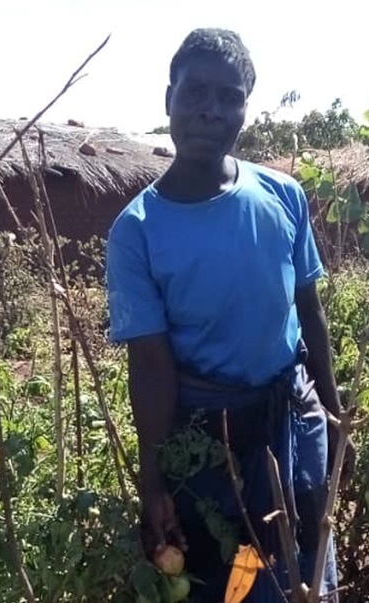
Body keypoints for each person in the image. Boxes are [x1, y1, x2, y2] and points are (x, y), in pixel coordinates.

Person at [105, 28, 353, 603]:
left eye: (229, 96)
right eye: (195, 92)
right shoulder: (137, 231)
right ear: (168, 97)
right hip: (210, 444)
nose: (209, 111)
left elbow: (308, 313)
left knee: (311, 569)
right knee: (235, 584)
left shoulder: (283, 195)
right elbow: (149, 364)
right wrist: (154, 479)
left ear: (245, 107)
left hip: (295, 418)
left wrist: (336, 422)